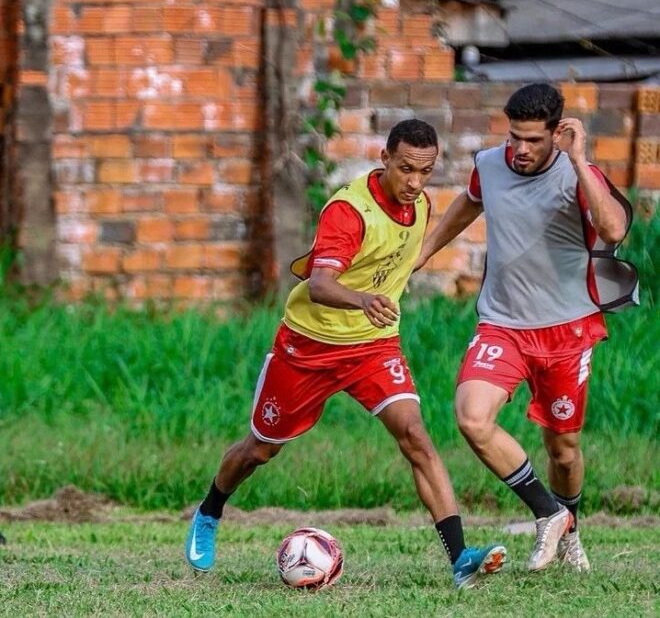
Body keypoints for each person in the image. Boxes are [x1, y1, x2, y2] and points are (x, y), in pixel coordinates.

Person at [185, 119, 506, 589]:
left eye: (425, 171)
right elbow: (319, 285)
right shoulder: (348, 211)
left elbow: (404, 255)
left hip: (373, 346)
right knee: (260, 449)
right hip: (309, 347)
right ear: (384, 159)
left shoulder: (418, 206)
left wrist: (386, 292)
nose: (415, 182)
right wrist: (363, 300)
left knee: (415, 435)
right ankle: (210, 510)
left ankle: (460, 559)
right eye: (406, 169)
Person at [417, 83, 635, 573]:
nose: (519, 148)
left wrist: (578, 160)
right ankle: (548, 512)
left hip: (567, 329)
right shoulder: (489, 165)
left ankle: (569, 531)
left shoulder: (577, 173)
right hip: (502, 324)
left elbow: (613, 229)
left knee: (564, 449)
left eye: (533, 140)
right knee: (472, 418)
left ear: (557, 133)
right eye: (514, 136)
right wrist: (425, 252)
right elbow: (468, 202)